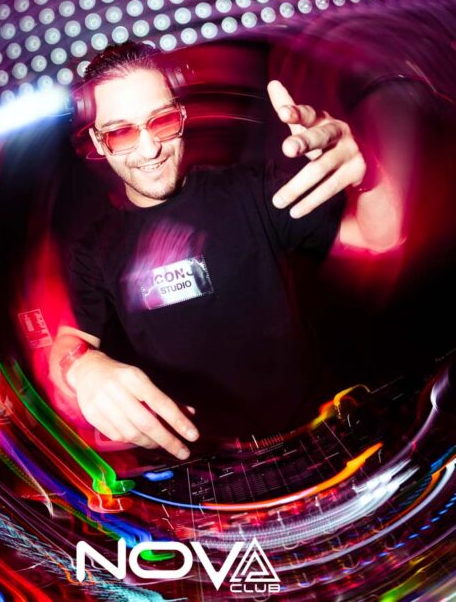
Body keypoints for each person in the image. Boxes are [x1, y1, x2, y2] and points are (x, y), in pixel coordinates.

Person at [50, 41, 403, 460]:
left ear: (181, 115)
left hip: (310, 435)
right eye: (121, 132)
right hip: (203, 463)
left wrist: (368, 175)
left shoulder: (252, 190)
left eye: (161, 121)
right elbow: (70, 341)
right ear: (98, 140)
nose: (149, 149)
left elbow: (378, 238)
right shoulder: (94, 247)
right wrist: (82, 368)